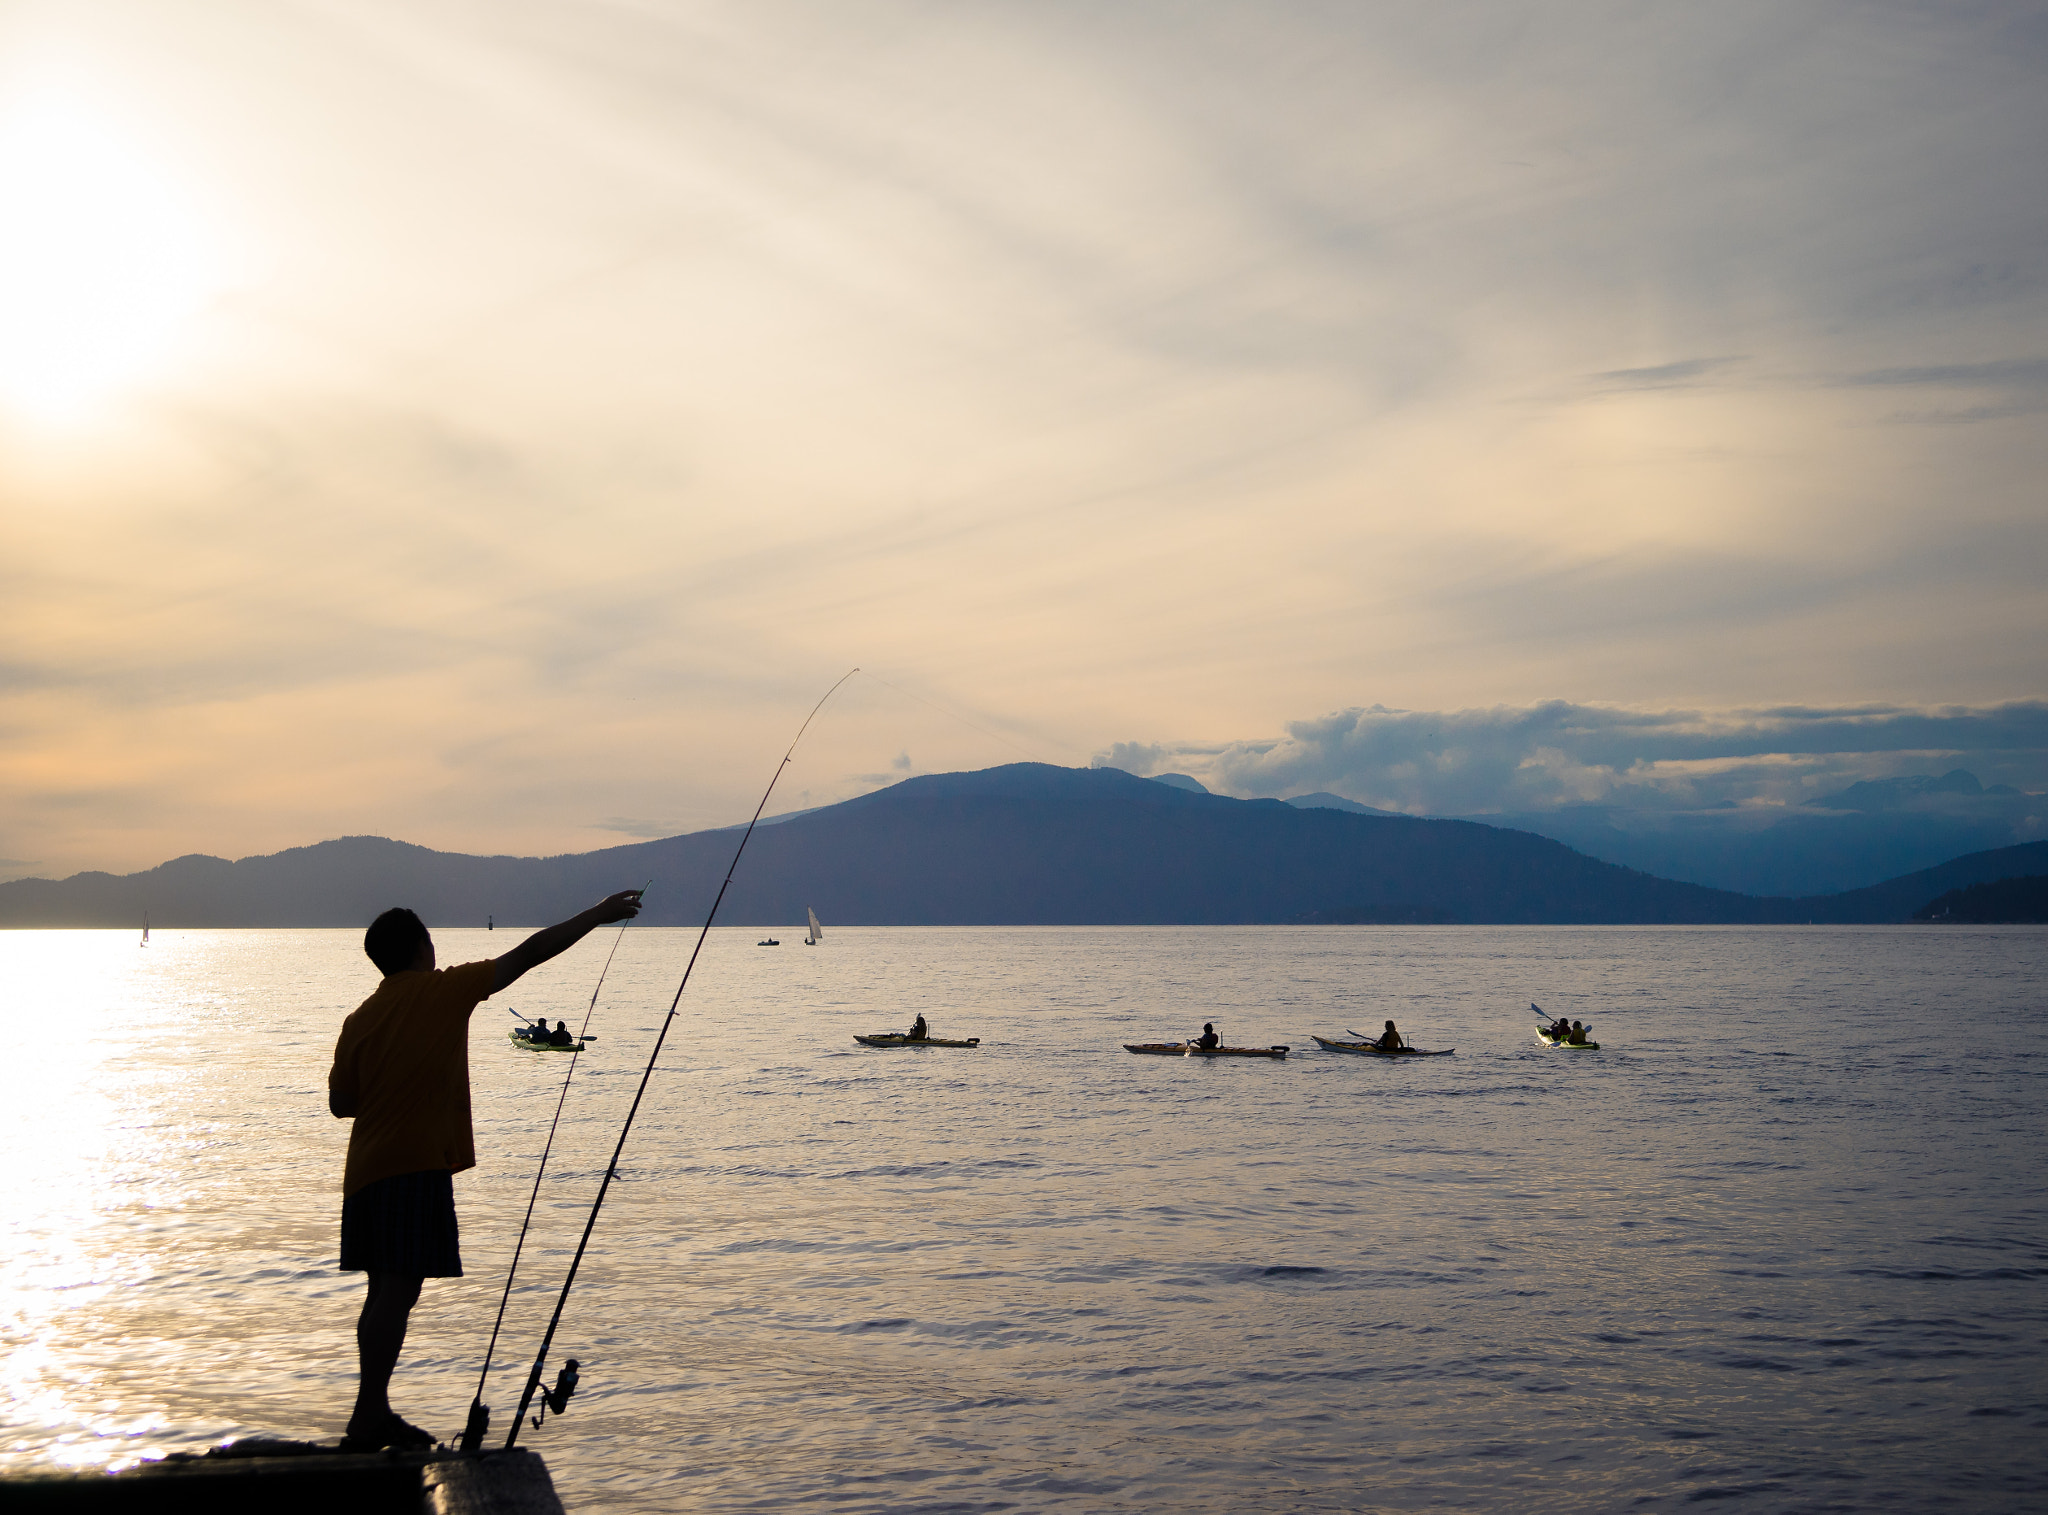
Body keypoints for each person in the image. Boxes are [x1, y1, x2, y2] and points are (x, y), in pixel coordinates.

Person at [328, 888, 641, 1451]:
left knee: (384, 1292)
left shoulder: (360, 1019)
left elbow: (342, 1104)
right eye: (430, 940)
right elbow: (530, 952)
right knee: (397, 1292)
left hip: (365, 1173)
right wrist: (597, 913)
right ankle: (368, 1417)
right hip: (412, 1166)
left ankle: (370, 1411)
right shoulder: (446, 989)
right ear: (422, 947)